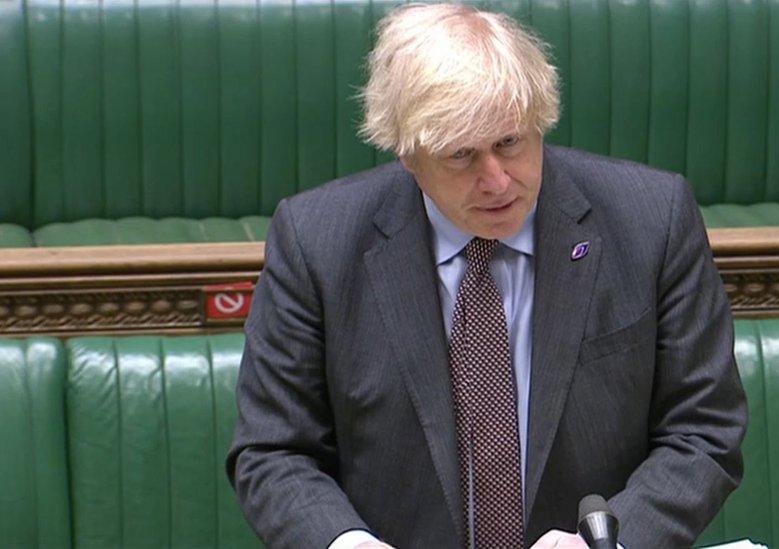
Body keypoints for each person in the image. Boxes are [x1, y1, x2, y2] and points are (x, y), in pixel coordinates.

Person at [226, 4, 747, 548]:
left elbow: (702, 428)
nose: (497, 181)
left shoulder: (651, 220)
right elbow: (274, 450)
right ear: (409, 155)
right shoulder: (318, 243)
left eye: (509, 143)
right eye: (461, 156)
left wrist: (614, 541)